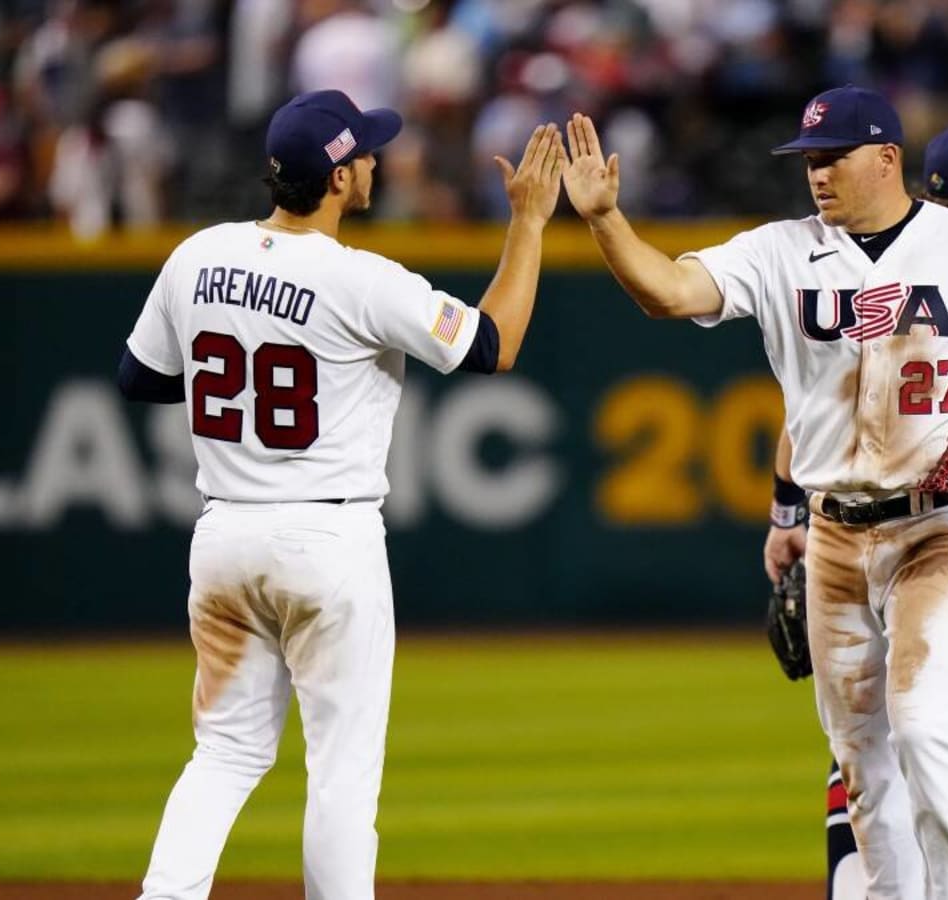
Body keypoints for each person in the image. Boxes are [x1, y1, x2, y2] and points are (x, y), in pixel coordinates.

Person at [564, 88, 948, 899]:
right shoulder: (779, 252)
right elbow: (667, 291)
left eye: (833, 156)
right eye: (809, 159)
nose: (818, 173)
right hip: (836, 535)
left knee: (926, 722)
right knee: (861, 755)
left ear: (887, 159)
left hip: (944, 524)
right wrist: (604, 221)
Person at [117, 89, 565, 900]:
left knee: (222, 754)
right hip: (328, 541)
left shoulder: (197, 255)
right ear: (336, 180)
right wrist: (529, 222)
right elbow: (493, 347)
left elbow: (141, 377)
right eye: (365, 155)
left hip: (223, 535)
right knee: (343, 772)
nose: (375, 164)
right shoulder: (363, 280)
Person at [763, 119, 948, 899]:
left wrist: (787, 513)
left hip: (922, 523)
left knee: (873, 733)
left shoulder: (902, 260)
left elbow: (815, 410)